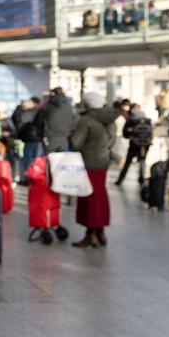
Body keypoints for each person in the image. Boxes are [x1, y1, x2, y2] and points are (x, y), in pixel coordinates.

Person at [69, 92, 117, 248]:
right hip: (103, 161)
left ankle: (90, 235)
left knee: (88, 198)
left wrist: (71, 135)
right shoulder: (110, 119)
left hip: (88, 162)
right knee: (100, 195)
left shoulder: (86, 120)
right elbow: (112, 141)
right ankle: (100, 231)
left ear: (87, 104)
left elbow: (76, 143)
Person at [115, 103, 153, 186]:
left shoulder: (131, 120)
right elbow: (151, 133)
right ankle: (141, 179)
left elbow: (125, 134)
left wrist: (131, 134)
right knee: (142, 162)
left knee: (127, 163)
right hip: (144, 146)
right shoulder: (147, 120)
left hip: (133, 144)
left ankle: (120, 179)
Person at [35, 87, 77, 153]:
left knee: (50, 159)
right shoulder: (70, 107)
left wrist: (41, 135)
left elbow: (37, 123)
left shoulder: (46, 107)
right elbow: (74, 123)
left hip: (49, 138)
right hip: (66, 138)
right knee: (63, 160)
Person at [14, 97, 43, 185]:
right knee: (37, 159)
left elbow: (20, 127)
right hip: (37, 139)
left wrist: (20, 136)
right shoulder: (39, 112)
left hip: (28, 139)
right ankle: (37, 178)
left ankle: (28, 178)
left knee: (28, 160)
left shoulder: (24, 114)